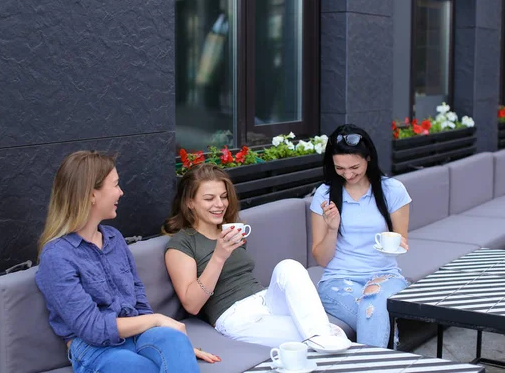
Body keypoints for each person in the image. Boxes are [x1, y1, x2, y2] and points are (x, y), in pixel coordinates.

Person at [35, 150, 218, 373]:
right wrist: (157, 321)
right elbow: (93, 328)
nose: (121, 192)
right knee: (142, 368)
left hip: (137, 335)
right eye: (115, 185)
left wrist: (174, 348)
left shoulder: (114, 238)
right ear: (92, 194)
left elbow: (139, 300)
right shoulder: (56, 256)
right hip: (95, 349)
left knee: (176, 341)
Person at [163, 163, 349, 349]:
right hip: (235, 316)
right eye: (209, 198)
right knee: (326, 333)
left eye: (224, 197)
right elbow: (192, 305)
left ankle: (324, 339)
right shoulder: (182, 243)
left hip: (264, 299)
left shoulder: (231, 230)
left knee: (289, 266)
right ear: (190, 202)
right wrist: (218, 257)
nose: (219, 204)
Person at [310, 124, 412, 348]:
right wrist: (332, 228)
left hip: (385, 276)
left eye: (354, 167)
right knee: (374, 311)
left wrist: (397, 243)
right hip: (337, 280)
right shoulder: (324, 195)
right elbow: (321, 259)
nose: (348, 174)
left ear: (368, 158)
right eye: (340, 168)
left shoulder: (392, 190)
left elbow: (401, 241)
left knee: (373, 301)